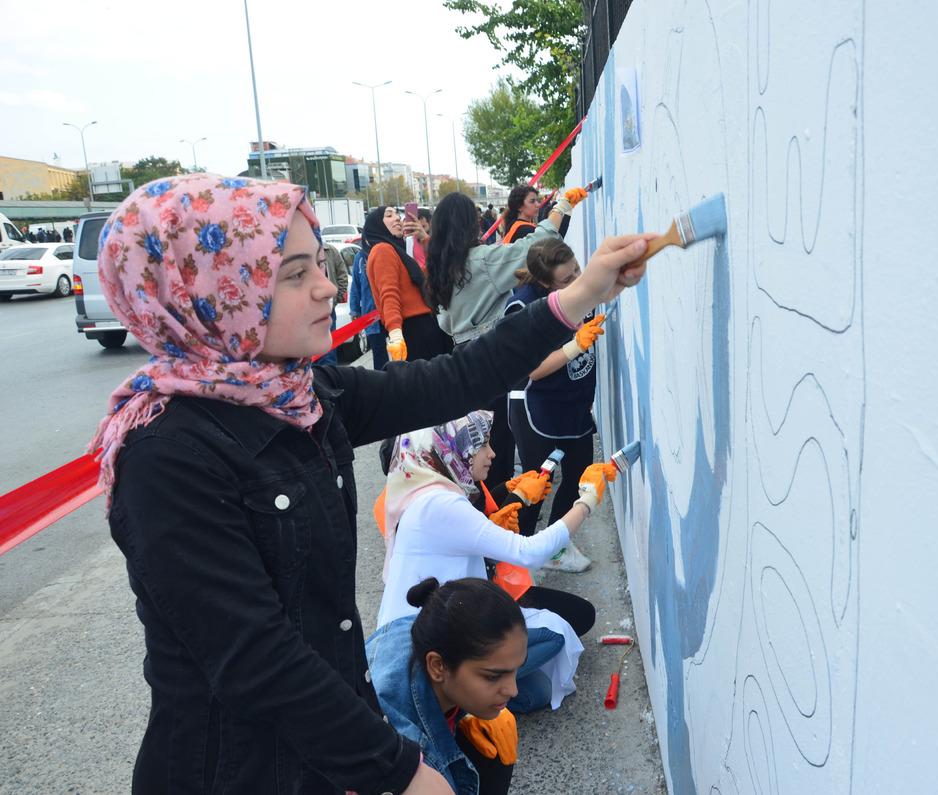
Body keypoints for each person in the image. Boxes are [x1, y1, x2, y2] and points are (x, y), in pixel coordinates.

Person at [89, 172, 652, 794]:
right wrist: (399, 769)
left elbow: (455, 379)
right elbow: (254, 657)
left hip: (321, 753)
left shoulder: (303, 395)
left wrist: (581, 294)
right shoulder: (166, 454)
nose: (329, 287)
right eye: (296, 273)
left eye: (320, 266)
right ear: (214, 295)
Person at [376, 409, 614, 713]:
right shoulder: (439, 503)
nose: (492, 453)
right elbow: (530, 551)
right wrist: (586, 502)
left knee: (537, 691)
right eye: (482, 446)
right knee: (556, 632)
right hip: (423, 647)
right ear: (452, 450)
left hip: (441, 626)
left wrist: (512, 494)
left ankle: (463, 695)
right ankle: (450, 701)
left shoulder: (432, 490)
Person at [424, 189, 587, 493]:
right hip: (494, 354)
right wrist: (562, 207)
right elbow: (534, 247)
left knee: (478, 446)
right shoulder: (482, 260)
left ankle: (488, 513)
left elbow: (444, 323)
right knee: (498, 444)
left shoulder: (440, 267)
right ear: (467, 224)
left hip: (463, 358)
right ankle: (504, 519)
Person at [367, 577, 526, 795]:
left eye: (515, 669)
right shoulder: (397, 742)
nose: (513, 690)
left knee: (496, 739)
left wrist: (464, 713)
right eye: (493, 676)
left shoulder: (431, 632)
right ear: (437, 665)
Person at [505, 238, 604, 572]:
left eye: (578, 268)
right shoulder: (524, 306)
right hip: (536, 408)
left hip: (573, 404)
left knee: (578, 475)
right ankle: (515, 560)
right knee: (535, 488)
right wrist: (576, 346)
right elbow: (531, 367)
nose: (577, 279)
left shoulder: (582, 289)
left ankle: (554, 546)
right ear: (545, 283)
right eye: (567, 279)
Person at [366, 205, 452, 363]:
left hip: (421, 327)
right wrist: (396, 333)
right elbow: (388, 293)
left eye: (397, 214)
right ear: (377, 224)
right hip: (416, 330)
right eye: (389, 215)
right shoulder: (383, 249)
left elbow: (429, 273)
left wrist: (424, 238)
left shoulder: (396, 251)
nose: (397, 218)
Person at [348, 242, 387, 370]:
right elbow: (355, 286)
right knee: (379, 353)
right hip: (372, 314)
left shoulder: (387, 251)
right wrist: (355, 311)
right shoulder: (360, 258)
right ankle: (382, 384)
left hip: (391, 310)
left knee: (400, 347)